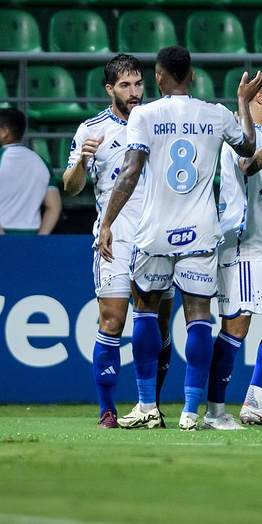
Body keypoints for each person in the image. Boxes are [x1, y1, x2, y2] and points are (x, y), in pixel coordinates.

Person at [98, 45, 260, 432]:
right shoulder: (216, 114)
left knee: (146, 313)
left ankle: (145, 406)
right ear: (191, 76)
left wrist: (108, 221)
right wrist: (242, 104)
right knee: (199, 318)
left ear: (157, 77)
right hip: (201, 232)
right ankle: (191, 412)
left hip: (154, 231)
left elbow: (130, 171)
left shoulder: (144, 115)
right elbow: (249, 149)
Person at [63, 53, 173, 430]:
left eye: (139, 83)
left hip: (159, 235)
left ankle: (150, 406)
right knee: (112, 320)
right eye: (125, 85)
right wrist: (80, 162)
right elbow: (72, 188)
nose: (134, 92)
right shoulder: (91, 130)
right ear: (110, 89)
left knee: (160, 326)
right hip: (116, 235)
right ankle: (107, 410)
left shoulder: (160, 122)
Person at [201, 71, 262, 431]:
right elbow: (249, 165)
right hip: (241, 248)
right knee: (236, 328)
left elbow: (252, 196)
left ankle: (256, 402)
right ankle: (214, 412)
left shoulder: (261, 135)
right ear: (260, 97)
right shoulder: (240, 135)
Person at [0, 107, 61, 235]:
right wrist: (41, 238)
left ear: (5, 132)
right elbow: (54, 206)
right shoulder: (42, 163)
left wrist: (2, 237)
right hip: (31, 237)